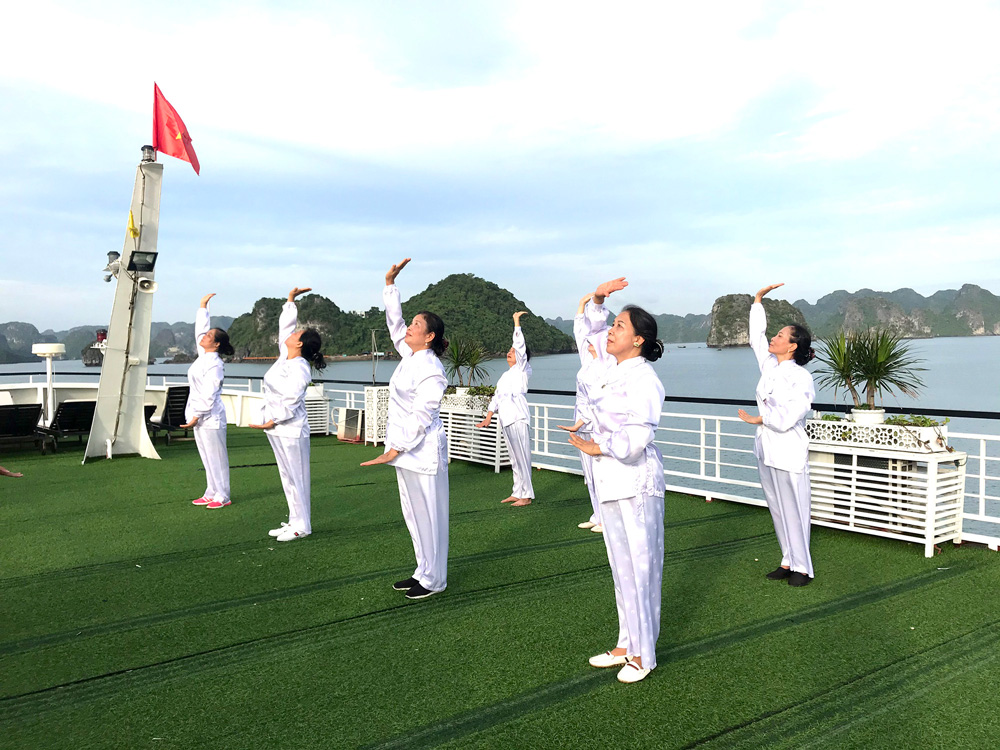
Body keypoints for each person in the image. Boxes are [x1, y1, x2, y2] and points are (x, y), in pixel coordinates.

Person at [567, 281, 666, 684]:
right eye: (614, 325)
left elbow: (636, 439)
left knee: (642, 569)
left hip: (636, 482)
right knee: (621, 567)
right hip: (611, 482)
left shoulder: (644, 380)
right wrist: (598, 301)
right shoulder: (611, 371)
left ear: (638, 340)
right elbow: (589, 335)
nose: (612, 331)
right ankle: (626, 642)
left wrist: (598, 447)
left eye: (620, 327)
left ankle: (644, 654)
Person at [361, 258, 450, 600]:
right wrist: (390, 284)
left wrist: (395, 447)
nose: (409, 327)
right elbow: (394, 322)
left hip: (422, 450)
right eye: (411, 322)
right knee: (414, 516)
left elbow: (421, 414)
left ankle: (435, 579)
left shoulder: (431, 369)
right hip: (405, 452)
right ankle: (422, 571)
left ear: (429, 337)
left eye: (417, 324)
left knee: (431, 517)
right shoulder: (410, 355)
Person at [737, 283, 817, 587]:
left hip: (788, 447)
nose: (775, 337)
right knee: (777, 506)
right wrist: (757, 302)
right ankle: (787, 559)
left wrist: (763, 417)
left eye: (781, 335)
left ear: (793, 346)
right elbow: (756, 337)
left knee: (796, 506)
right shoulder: (769, 366)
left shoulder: (801, 377)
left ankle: (803, 568)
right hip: (767, 446)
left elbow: (795, 412)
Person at [250, 287, 326, 542]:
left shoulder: (300, 368)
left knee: (298, 477)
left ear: (300, 343)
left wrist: (273, 419)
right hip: (276, 428)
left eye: (296, 334)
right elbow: (285, 329)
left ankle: (304, 525)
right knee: (286, 476)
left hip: (291, 428)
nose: (290, 335)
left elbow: (292, 398)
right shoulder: (286, 357)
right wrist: (290, 302)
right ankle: (294, 520)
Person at [475, 311, 535, 506]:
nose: (509, 353)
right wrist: (489, 416)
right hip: (506, 418)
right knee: (514, 457)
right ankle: (517, 491)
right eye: (508, 351)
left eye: (512, 351)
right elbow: (496, 397)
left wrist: (516, 323)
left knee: (523, 456)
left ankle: (526, 495)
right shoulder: (505, 375)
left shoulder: (522, 369)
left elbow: (519, 346)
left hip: (518, 417)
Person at [181, 293, 234, 509]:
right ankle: (211, 491)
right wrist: (203, 306)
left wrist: (196, 415)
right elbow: (199, 331)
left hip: (210, 417)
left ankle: (223, 495)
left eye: (209, 335)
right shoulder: (203, 357)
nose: (204, 336)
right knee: (206, 456)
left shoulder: (215, 364)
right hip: (199, 416)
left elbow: (210, 394)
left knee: (217, 457)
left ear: (217, 343)